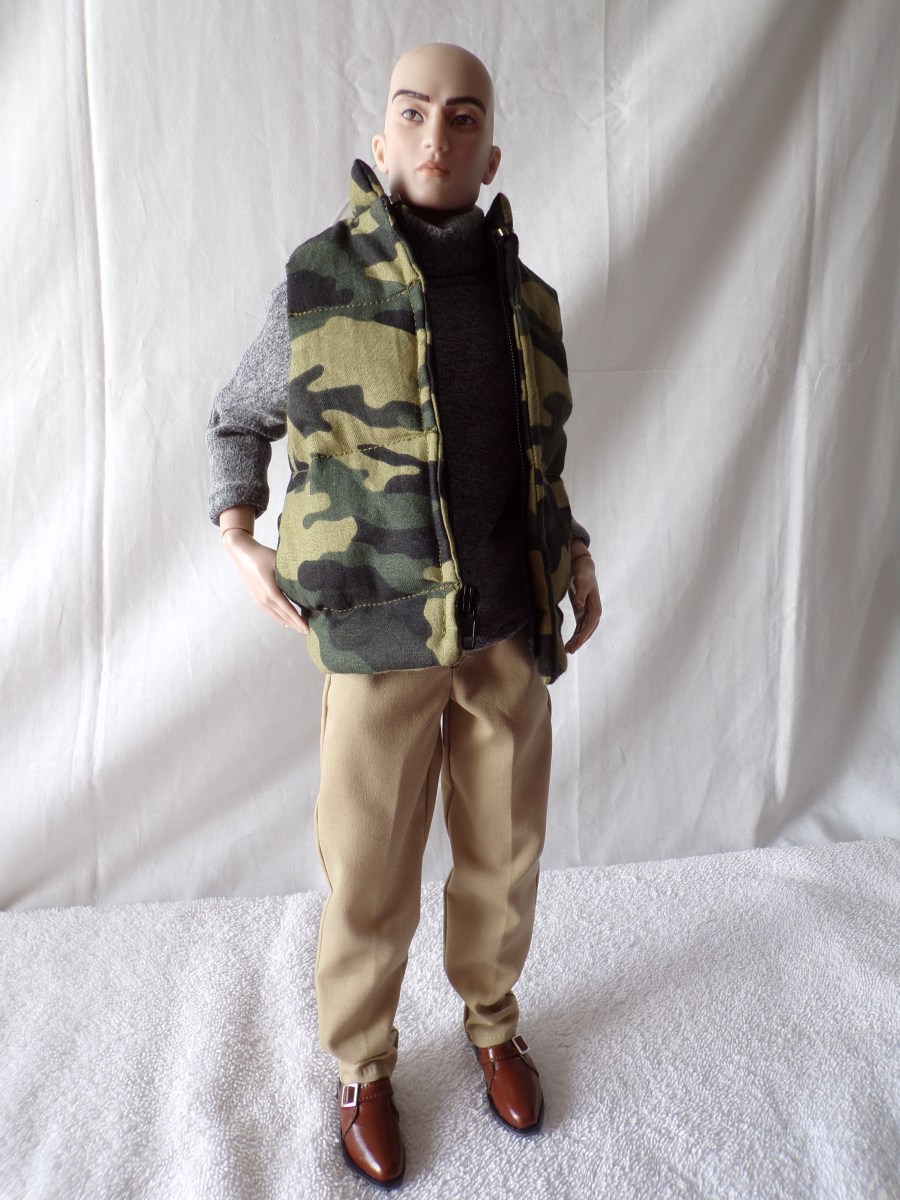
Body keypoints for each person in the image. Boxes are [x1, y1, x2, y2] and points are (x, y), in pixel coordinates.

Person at [207, 42, 601, 1189]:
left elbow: (540, 456)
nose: (437, 135)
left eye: (463, 116)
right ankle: (362, 1063)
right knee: (369, 870)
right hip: (378, 635)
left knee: (504, 857)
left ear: (492, 150)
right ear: (382, 140)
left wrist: (573, 551)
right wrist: (238, 532)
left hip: (507, 632)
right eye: (415, 112)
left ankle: (493, 1025)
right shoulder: (318, 285)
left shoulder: (530, 305)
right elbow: (237, 418)